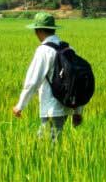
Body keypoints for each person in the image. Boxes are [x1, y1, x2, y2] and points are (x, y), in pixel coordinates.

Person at [12, 12, 83, 141]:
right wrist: (77, 111)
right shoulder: (68, 48)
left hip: (51, 107)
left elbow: (33, 81)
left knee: (45, 145)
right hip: (66, 105)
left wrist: (20, 106)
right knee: (52, 141)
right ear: (54, 29)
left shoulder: (44, 51)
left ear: (38, 31)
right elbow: (77, 81)